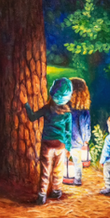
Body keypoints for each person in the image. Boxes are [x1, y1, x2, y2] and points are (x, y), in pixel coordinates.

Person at [23, 76, 75, 205]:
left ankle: (42, 194)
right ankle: (56, 191)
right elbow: (68, 133)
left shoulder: (47, 109)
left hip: (47, 144)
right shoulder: (67, 114)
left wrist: (26, 104)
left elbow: (32, 117)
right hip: (61, 146)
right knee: (58, 170)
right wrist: (68, 148)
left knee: (45, 170)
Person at [66, 78, 92, 186]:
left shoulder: (66, 108)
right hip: (77, 142)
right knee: (77, 161)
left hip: (66, 140)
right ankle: (77, 180)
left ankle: (64, 177)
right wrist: (86, 141)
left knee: (64, 160)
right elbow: (86, 127)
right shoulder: (84, 112)